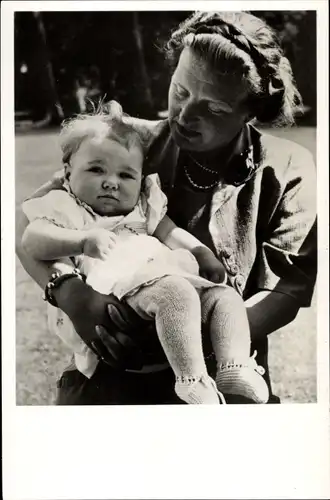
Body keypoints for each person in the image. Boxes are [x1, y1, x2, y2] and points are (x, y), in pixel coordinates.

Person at [16, 11, 317, 405]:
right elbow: (32, 223)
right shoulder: (124, 146)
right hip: (111, 379)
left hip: (225, 379)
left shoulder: (288, 167)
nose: (185, 115)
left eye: (214, 109)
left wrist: (181, 332)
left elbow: (284, 293)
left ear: (251, 112)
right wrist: (72, 294)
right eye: (180, 91)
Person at [21, 102, 269, 405]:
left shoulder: (142, 206)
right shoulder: (65, 205)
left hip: (164, 274)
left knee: (223, 297)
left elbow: (170, 232)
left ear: (141, 180)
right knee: (175, 293)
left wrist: (202, 253)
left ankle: (234, 367)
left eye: (126, 175)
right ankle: (192, 381)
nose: (111, 182)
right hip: (119, 285)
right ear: (67, 172)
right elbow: (32, 239)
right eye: (96, 169)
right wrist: (82, 241)